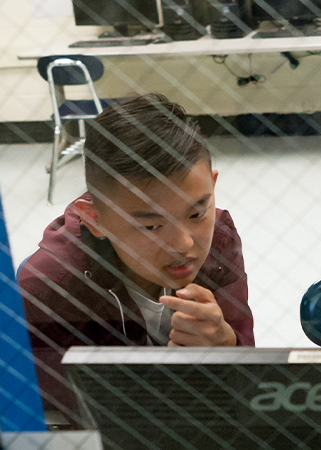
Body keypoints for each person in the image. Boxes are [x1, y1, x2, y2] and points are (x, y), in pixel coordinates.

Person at [19, 93, 254, 423]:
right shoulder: (50, 286)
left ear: (212, 187)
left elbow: (249, 378)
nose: (183, 244)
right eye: (151, 225)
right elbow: (51, 405)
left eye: (197, 212)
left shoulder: (220, 238)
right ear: (94, 218)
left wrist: (226, 344)